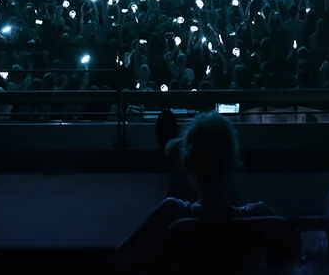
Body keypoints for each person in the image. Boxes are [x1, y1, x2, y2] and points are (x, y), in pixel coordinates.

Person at [115, 112, 274, 271]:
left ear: (188, 164)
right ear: (234, 162)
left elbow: (123, 256)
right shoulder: (262, 217)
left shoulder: (170, 212)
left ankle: (172, 149)